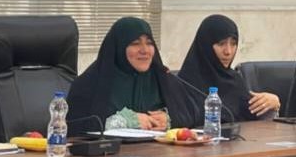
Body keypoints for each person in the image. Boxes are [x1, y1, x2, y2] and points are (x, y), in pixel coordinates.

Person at [67, 17, 198, 133]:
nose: (144, 50)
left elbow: (194, 114)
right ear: (119, 47)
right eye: (135, 43)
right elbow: (73, 126)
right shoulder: (90, 83)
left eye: (149, 43)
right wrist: (121, 122)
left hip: (160, 151)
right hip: (110, 152)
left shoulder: (163, 78)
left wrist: (169, 119)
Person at [178, 14, 280, 121]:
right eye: (221, 44)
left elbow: (255, 118)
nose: (228, 51)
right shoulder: (184, 85)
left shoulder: (234, 81)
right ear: (205, 45)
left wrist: (272, 104)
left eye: (233, 44)